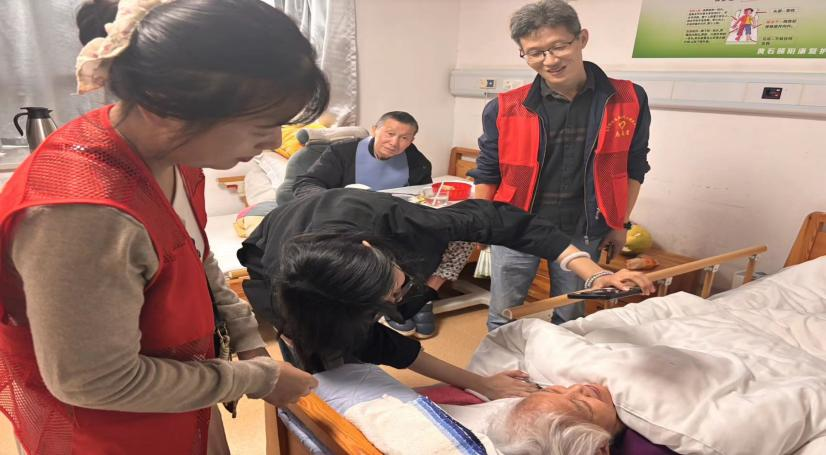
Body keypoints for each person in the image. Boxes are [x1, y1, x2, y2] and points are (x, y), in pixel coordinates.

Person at [0, 0, 330, 453]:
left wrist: (250, 343)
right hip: (112, 433)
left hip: (180, 395)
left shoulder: (173, 153)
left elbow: (198, 256)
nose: (274, 141)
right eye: (261, 125)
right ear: (165, 107)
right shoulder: (83, 217)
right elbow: (93, 380)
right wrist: (255, 378)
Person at [237, 189, 653, 399]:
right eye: (387, 299)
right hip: (277, 243)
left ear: (372, 248)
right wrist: (480, 383)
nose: (399, 295)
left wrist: (591, 271)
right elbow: (385, 344)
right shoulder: (293, 301)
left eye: (397, 283)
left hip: (349, 216)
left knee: (380, 325)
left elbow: (499, 221)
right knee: (318, 365)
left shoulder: (404, 221)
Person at [470, 0, 652, 330]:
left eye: (559, 46)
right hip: (516, 224)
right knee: (504, 314)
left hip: (583, 226)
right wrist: (481, 222)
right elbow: (488, 170)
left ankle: (559, 362)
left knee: (571, 315)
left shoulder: (628, 98)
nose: (550, 60)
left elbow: (634, 164)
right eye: (535, 52)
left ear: (582, 39)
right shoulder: (505, 107)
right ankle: (499, 362)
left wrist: (619, 223)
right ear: (523, 53)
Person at [292, 111, 432, 198]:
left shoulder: (418, 162)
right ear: (374, 130)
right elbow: (306, 184)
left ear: (411, 141)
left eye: (404, 138)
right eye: (390, 134)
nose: (394, 143)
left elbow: (425, 196)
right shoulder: (342, 151)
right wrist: (333, 201)